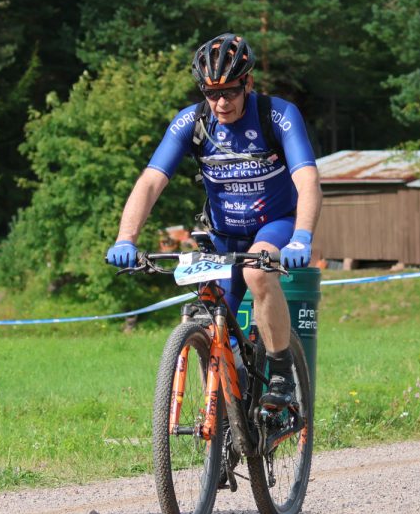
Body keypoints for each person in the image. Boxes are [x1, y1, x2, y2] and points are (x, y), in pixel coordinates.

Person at [107, 33, 321, 408]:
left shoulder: (277, 115)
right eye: (211, 93)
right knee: (208, 319)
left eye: (230, 92)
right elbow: (151, 182)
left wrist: (302, 236)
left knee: (257, 273)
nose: (221, 102)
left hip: (274, 225)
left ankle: (281, 371)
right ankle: (225, 414)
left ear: (248, 83)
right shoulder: (192, 122)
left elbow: (308, 181)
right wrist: (126, 238)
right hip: (222, 234)